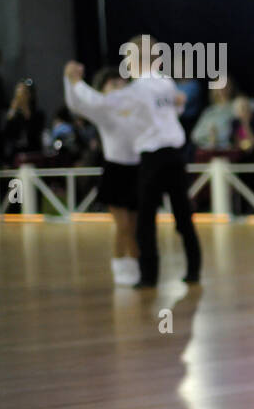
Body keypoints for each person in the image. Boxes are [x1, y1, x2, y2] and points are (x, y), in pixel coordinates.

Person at [69, 36, 201, 287]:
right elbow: (176, 108)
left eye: (128, 57)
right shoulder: (166, 83)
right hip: (175, 157)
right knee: (183, 215)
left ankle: (149, 277)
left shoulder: (138, 90)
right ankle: (194, 270)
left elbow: (101, 103)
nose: (126, 63)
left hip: (153, 158)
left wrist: (76, 83)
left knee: (146, 220)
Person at [63, 64, 142, 285]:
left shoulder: (135, 106)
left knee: (134, 226)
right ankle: (123, 265)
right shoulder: (103, 110)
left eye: (122, 82)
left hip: (136, 170)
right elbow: (76, 103)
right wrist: (70, 81)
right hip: (115, 171)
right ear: (103, 89)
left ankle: (133, 264)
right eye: (113, 83)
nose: (119, 86)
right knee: (123, 225)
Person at [2, 78, 46, 163]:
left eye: (24, 92)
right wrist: (12, 111)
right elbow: (6, 135)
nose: (21, 96)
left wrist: (25, 109)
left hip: (33, 154)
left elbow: (35, 132)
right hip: (16, 155)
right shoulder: (14, 115)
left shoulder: (38, 114)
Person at [190, 82, 236, 150]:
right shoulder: (209, 111)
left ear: (231, 87)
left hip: (232, 151)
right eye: (218, 87)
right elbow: (195, 136)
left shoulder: (238, 106)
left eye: (225, 86)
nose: (222, 89)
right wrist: (211, 141)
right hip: (211, 152)